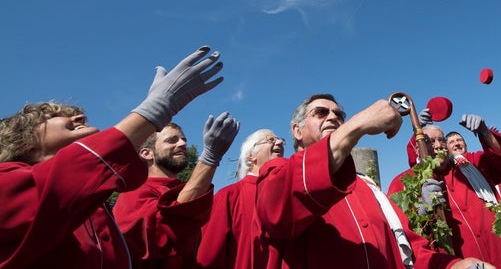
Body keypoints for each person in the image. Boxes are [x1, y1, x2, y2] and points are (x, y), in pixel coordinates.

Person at [0, 46, 224, 268]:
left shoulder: (96, 209)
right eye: (55, 116)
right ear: (25, 140)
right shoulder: (6, 184)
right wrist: (153, 111)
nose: (81, 116)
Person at [255, 93, 494, 269]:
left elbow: (410, 251)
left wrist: (453, 266)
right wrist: (356, 125)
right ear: (297, 131)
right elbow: (276, 211)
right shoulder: (280, 173)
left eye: (339, 115)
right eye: (321, 113)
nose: (333, 118)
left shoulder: (368, 188)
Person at [114, 112, 239, 268]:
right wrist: (210, 158)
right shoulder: (134, 193)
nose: (182, 144)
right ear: (147, 153)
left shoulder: (182, 189)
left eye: (183, 140)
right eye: (171, 140)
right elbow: (167, 231)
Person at [389, 112, 501, 268]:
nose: (438, 145)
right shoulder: (404, 182)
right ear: (417, 148)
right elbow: (400, 236)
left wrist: (485, 133)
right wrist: (422, 210)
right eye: (429, 141)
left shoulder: (469, 164)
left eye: (441, 140)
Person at [196, 129, 286, 268]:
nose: (279, 142)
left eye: (280, 140)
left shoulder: (290, 194)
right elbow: (208, 256)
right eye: (270, 140)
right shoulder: (228, 196)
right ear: (251, 156)